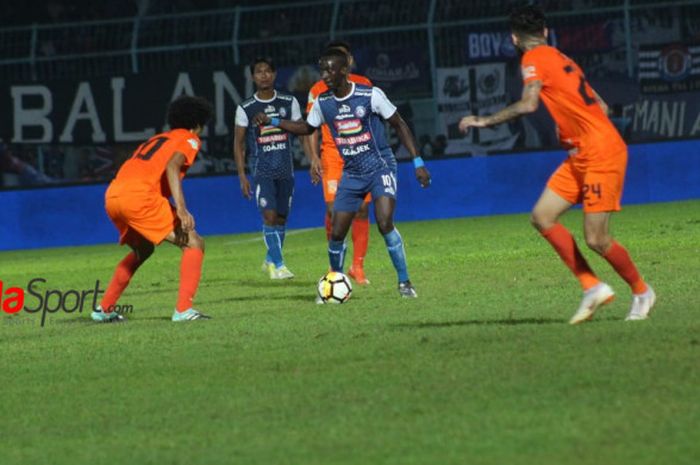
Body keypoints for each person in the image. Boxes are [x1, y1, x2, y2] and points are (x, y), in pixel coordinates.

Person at [459, 4, 655, 324]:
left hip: (600, 153)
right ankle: (592, 287)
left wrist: (483, 121)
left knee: (596, 238)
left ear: (514, 39)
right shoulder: (563, 58)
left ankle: (641, 291)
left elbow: (529, 103)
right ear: (545, 32)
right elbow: (602, 107)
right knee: (542, 216)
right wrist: (571, 125)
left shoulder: (532, 59)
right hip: (581, 153)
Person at [254, 49, 431, 298]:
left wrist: (418, 162)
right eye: (322, 70)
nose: (325, 75)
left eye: (330, 69)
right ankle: (333, 283)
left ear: (344, 70)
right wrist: (274, 122)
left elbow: (399, 123)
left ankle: (404, 282)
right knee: (337, 232)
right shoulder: (323, 103)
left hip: (380, 166)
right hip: (352, 172)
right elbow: (306, 127)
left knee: (384, 222)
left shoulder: (369, 95)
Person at [94, 95, 214, 323]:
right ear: (198, 123)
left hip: (113, 196)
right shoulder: (189, 138)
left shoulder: (156, 139)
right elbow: (173, 165)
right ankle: (183, 310)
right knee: (194, 242)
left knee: (143, 250)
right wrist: (181, 208)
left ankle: (105, 308)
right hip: (139, 198)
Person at [303, 40, 373, 285]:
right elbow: (310, 127)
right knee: (334, 212)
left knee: (362, 209)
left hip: (360, 154)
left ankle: (358, 266)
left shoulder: (364, 85)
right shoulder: (317, 90)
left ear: (348, 62)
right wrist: (312, 157)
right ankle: (336, 266)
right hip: (332, 155)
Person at [234, 57, 302, 279]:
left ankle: (269, 260)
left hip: (285, 170)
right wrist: (242, 175)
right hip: (262, 171)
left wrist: (313, 160)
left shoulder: (288, 101)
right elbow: (239, 143)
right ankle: (279, 267)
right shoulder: (246, 108)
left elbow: (301, 129)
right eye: (258, 71)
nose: (263, 75)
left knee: (281, 219)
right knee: (269, 217)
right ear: (253, 77)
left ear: (274, 74)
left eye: (267, 71)